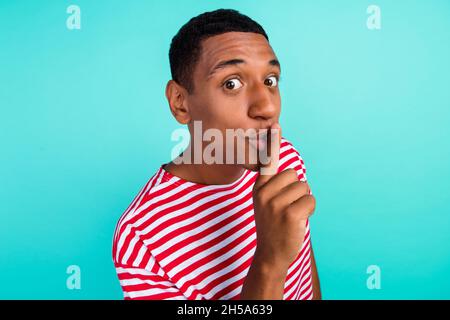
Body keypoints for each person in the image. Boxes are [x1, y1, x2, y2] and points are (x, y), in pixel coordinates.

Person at [112, 8, 321, 300]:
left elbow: (304, 278)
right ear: (180, 103)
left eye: (270, 80)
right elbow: (281, 260)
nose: (267, 107)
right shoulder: (141, 238)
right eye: (231, 83)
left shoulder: (285, 157)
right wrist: (270, 261)